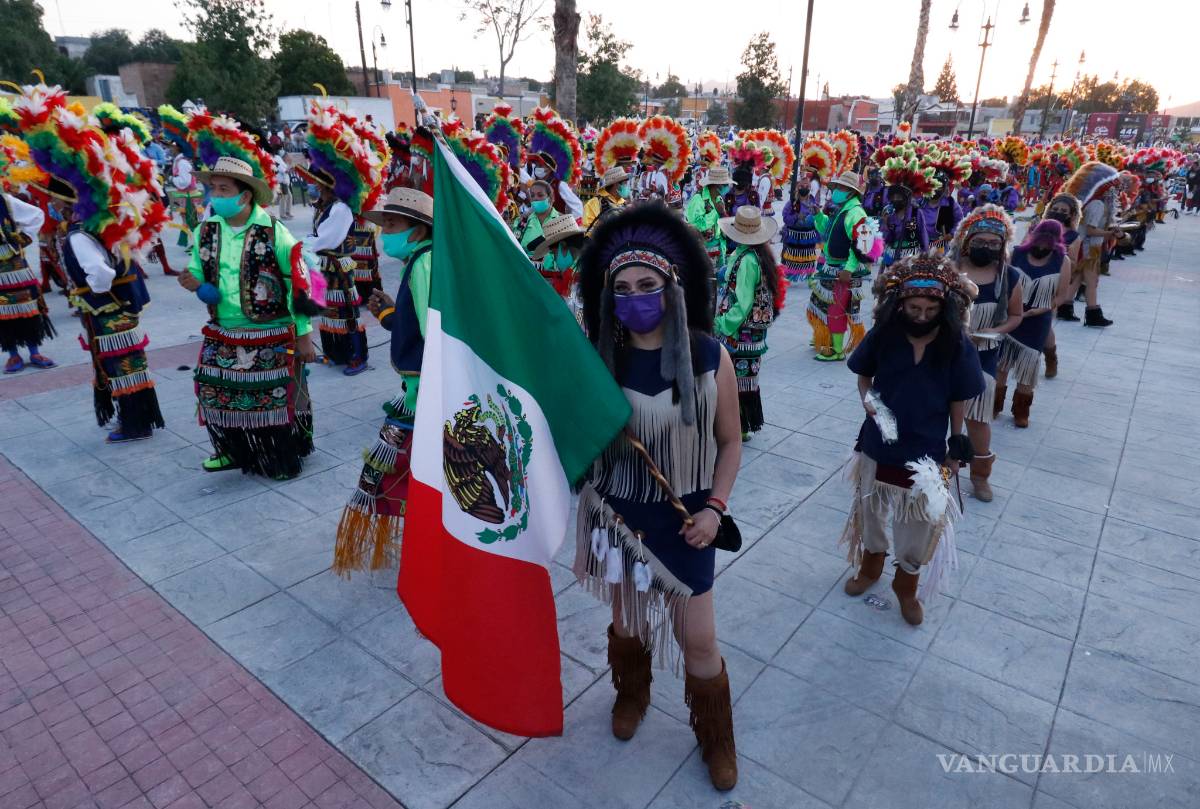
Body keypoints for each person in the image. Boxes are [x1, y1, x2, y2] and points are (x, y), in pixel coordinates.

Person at [575, 203, 743, 791]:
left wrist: (714, 509)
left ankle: (716, 735)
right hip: (618, 516)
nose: (634, 297)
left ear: (673, 287)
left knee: (697, 636)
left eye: (647, 284)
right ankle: (632, 693)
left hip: (687, 521)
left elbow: (730, 443)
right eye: (621, 288)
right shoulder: (597, 359)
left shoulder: (708, 355)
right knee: (626, 622)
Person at [839, 255, 984, 625]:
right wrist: (871, 406)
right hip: (878, 442)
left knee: (918, 524)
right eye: (914, 307)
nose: (921, 315)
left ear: (945, 307)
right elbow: (863, 379)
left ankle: (906, 585)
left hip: (927, 451)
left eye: (931, 308)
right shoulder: (884, 334)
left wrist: (956, 441)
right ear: (899, 304)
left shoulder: (956, 343)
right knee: (871, 513)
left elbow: (959, 396)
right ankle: (870, 567)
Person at [178, 157, 319, 478]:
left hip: (271, 331)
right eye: (213, 189)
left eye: (224, 189)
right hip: (222, 331)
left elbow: (299, 283)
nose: (216, 196)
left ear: (244, 196)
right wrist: (194, 283)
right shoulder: (206, 230)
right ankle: (233, 450)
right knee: (217, 394)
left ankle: (282, 456)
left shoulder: (274, 232)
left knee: (275, 402)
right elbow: (198, 270)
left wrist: (304, 334)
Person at [335, 188, 433, 573]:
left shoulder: (425, 264)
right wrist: (390, 314)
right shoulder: (422, 260)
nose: (384, 232)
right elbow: (417, 327)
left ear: (418, 230)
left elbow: (435, 332)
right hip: (417, 388)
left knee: (394, 468)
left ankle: (429, 542)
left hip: (423, 393)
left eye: (392, 224)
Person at [949, 205, 1024, 502]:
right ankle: (941, 473)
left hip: (983, 356)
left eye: (994, 243)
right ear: (967, 241)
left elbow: (1016, 315)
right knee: (934, 415)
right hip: (945, 354)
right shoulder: (949, 269)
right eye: (980, 241)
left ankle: (980, 477)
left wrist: (996, 332)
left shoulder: (1011, 276)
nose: (987, 247)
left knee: (978, 421)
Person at [995, 219, 1073, 429]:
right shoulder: (1017, 253)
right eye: (1039, 242)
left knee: (1027, 369)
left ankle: (1021, 411)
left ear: (1056, 242)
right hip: (1011, 317)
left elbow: (1062, 295)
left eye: (1047, 245)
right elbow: (1001, 283)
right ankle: (994, 405)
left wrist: (1044, 308)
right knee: (1001, 364)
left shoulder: (1062, 261)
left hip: (1038, 320)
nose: (1042, 247)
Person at [715, 206, 781, 439]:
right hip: (750, 333)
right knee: (744, 379)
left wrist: (722, 323)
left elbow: (743, 303)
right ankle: (740, 425)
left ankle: (737, 426)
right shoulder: (753, 254)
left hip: (740, 331)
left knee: (735, 379)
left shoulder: (747, 261)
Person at [300, 166, 369, 373]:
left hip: (338, 267)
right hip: (323, 265)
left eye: (317, 182)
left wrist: (300, 245)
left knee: (347, 312)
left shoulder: (340, 209)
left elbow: (326, 239)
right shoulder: (324, 205)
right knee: (328, 311)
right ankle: (336, 352)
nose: (315, 185)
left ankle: (357, 356)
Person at [809, 171, 876, 361]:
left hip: (844, 271)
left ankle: (836, 350)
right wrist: (818, 216)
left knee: (836, 310)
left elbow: (862, 245)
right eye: (836, 187)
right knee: (822, 306)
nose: (835, 191)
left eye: (839, 188)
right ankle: (824, 339)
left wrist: (849, 268)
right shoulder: (841, 209)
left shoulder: (856, 214)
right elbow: (826, 231)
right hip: (832, 268)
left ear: (849, 191)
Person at [0, 183, 55, 373]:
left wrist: (23, 238)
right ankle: (13, 354)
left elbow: (36, 215)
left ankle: (34, 351)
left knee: (29, 306)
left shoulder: (6, 201)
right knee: (2, 313)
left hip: (15, 266)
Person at [1060, 161, 1119, 328]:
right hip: (1089, 249)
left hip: (1084, 246)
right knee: (1092, 282)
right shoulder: (1098, 205)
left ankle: (1065, 308)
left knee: (1077, 279)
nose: (1114, 192)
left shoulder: (1093, 203)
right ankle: (1093, 314)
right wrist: (1109, 234)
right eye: (1112, 188)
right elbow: (1092, 230)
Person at [529, 215, 586, 304]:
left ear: (563, 245)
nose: (555, 259)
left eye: (554, 253)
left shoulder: (587, 270)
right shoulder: (580, 266)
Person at [685, 166, 730, 269]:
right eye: (725, 184)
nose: (727, 187)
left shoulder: (719, 198)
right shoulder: (698, 199)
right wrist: (715, 213)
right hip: (703, 250)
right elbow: (695, 224)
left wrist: (723, 213)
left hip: (719, 247)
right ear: (716, 185)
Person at [780, 174, 822, 285]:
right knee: (791, 257)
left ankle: (809, 276)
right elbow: (785, 218)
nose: (805, 187)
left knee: (809, 257)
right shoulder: (791, 203)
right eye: (802, 185)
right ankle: (788, 276)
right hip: (794, 236)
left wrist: (816, 214)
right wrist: (797, 217)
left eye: (807, 186)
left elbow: (819, 219)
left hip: (808, 237)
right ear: (798, 187)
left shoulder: (814, 202)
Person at [518, 178, 561, 267]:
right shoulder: (523, 221)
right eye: (532, 196)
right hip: (526, 274)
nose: (536, 198)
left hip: (552, 277)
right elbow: (515, 247)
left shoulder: (561, 221)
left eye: (540, 195)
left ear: (550, 198)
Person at [582, 166, 628, 234]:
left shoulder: (623, 203)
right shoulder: (595, 203)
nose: (627, 187)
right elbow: (587, 230)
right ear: (616, 185)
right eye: (625, 184)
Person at [273, 150, 293, 220]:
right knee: (283, 197)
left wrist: (289, 168)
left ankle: (287, 212)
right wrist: (288, 170)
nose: (288, 157)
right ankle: (282, 214)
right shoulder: (277, 159)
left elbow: (286, 169)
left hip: (285, 182)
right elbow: (281, 169)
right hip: (281, 181)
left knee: (289, 197)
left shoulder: (283, 162)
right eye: (286, 156)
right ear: (284, 156)